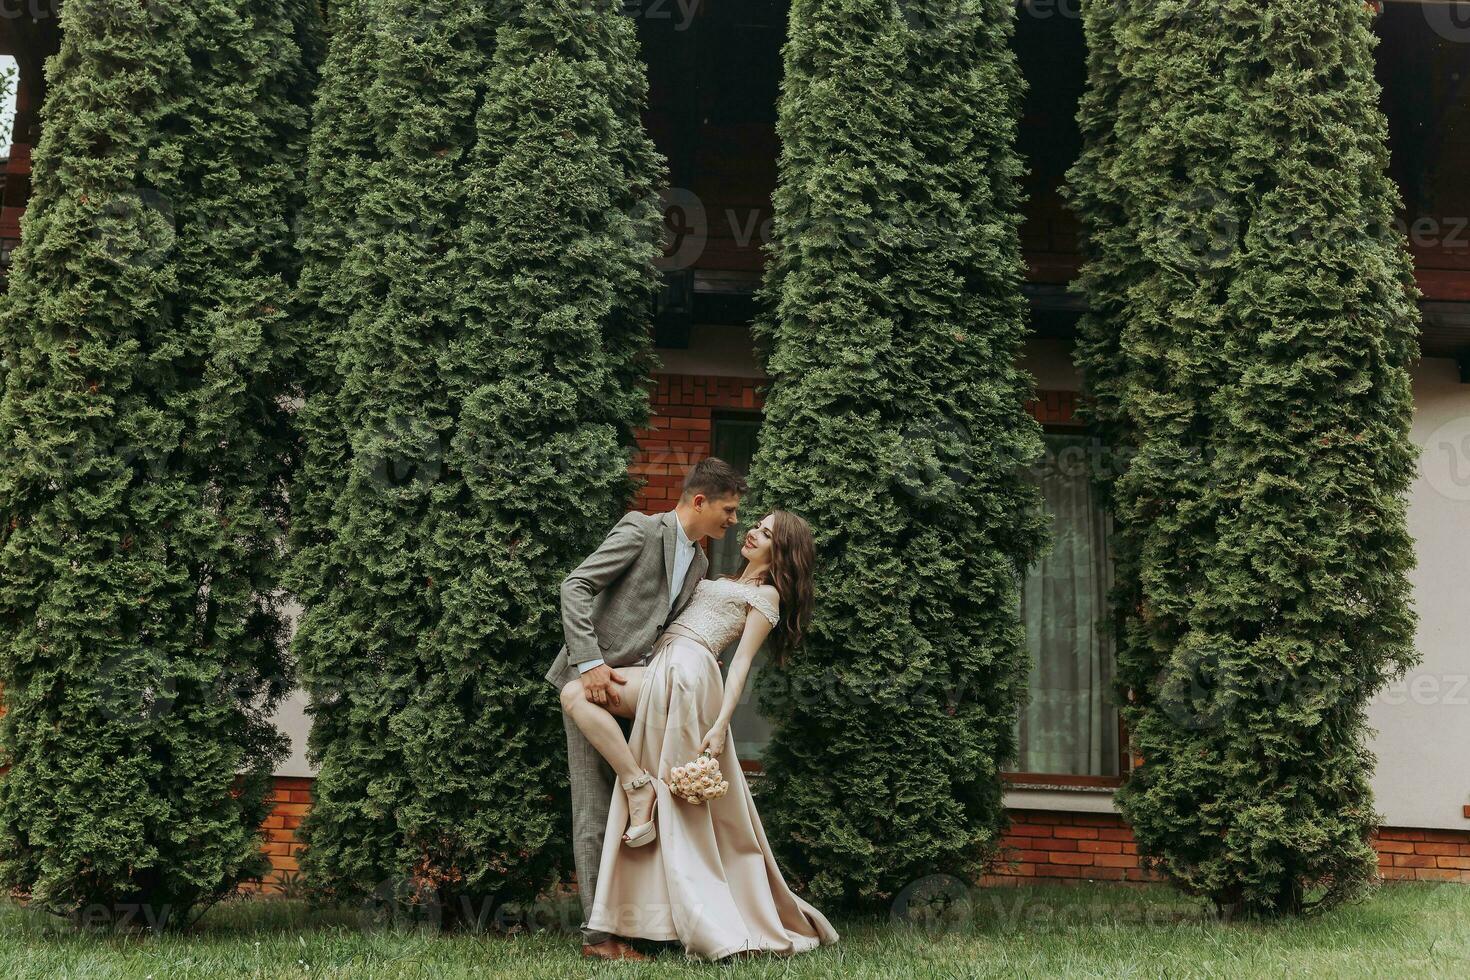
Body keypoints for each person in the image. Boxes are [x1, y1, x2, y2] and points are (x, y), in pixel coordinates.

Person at [559, 502, 839, 961]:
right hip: (660, 664)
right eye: (755, 525)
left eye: (765, 534)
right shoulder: (715, 576)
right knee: (575, 695)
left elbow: (741, 663)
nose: (750, 532)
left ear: (782, 551)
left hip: (691, 673)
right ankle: (636, 784)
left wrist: (722, 723)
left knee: (579, 698)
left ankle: (639, 791)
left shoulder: (766, 597)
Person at [545, 457, 744, 961]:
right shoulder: (639, 530)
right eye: (729, 509)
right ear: (699, 501)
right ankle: (598, 938)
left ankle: (643, 922)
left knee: (636, 812)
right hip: (589, 689)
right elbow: (576, 586)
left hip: (642, 692)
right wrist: (588, 661)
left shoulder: (699, 563)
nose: (733, 521)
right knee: (593, 806)